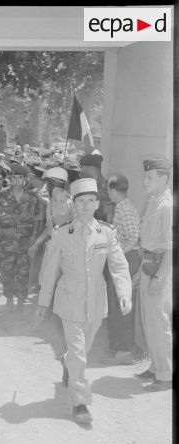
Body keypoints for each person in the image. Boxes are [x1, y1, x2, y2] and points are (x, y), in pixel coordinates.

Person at [35, 178, 132, 424]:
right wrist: (43, 302)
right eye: (80, 202)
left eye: (90, 201)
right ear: (73, 206)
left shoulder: (106, 232)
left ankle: (69, 364)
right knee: (78, 352)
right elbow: (49, 271)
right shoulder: (61, 234)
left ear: (97, 203)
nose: (86, 206)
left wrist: (124, 292)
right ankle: (80, 402)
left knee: (81, 351)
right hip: (69, 300)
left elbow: (119, 265)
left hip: (96, 303)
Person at [133, 157, 172, 392]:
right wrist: (140, 271)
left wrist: (159, 277)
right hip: (148, 265)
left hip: (160, 269)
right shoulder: (152, 201)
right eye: (145, 176)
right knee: (148, 320)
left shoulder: (167, 206)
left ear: (164, 178)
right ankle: (156, 365)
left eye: (150, 177)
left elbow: (170, 247)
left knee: (159, 322)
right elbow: (146, 243)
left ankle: (165, 374)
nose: (145, 181)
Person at [0, 164, 41, 314]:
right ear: (11, 179)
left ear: (25, 179)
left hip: (25, 241)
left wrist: (33, 239)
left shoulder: (32, 197)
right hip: (7, 239)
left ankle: (20, 300)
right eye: (14, 178)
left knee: (23, 271)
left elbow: (38, 219)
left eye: (20, 178)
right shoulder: (3, 195)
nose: (17, 181)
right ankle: (9, 299)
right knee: (7, 270)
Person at [105, 173, 141, 361]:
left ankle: (125, 349)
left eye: (108, 190)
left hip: (127, 258)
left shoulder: (124, 209)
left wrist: (118, 253)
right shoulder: (121, 207)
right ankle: (119, 346)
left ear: (113, 190)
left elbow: (133, 236)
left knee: (123, 302)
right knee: (116, 300)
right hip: (123, 258)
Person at [79, 152, 114, 223]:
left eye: (82, 168)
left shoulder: (103, 186)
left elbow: (109, 212)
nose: (81, 171)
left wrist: (106, 232)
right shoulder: (91, 184)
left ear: (91, 169)